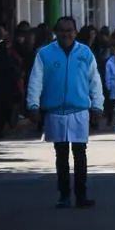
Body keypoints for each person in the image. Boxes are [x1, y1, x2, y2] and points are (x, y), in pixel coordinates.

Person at [25, 17, 103, 208]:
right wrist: (33, 105)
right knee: (61, 155)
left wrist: (97, 105)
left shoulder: (85, 53)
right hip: (55, 112)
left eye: (70, 31)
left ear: (75, 32)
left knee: (80, 154)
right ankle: (64, 195)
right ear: (55, 32)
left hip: (79, 111)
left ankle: (81, 194)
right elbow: (36, 81)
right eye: (62, 31)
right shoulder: (45, 54)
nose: (66, 34)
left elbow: (95, 81)